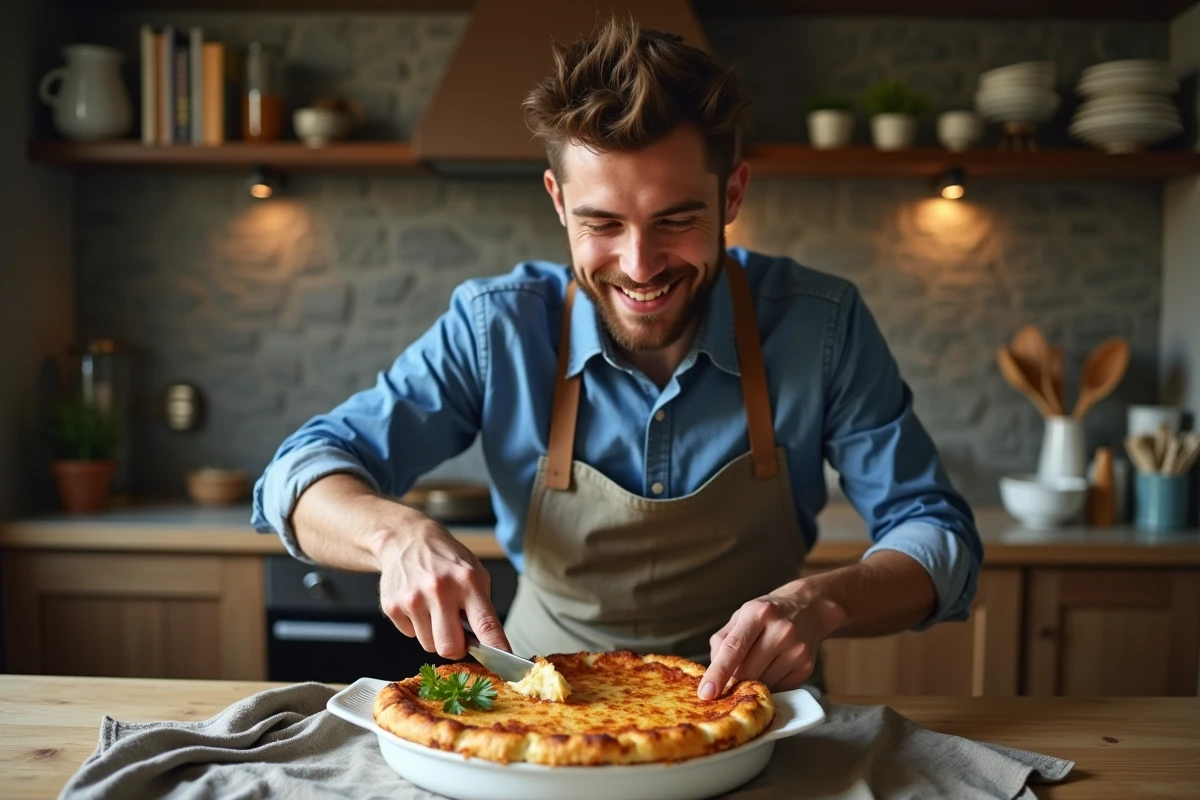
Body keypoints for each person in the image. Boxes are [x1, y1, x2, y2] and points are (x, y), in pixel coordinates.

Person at [252, 15, 982, 700]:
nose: (639, 266)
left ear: (731, 194)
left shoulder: (820, 325)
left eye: (676, 219)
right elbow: (296, 474)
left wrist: (821, 600)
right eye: (603, 223)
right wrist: (395, 534)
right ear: (558, 202)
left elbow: (937, 534)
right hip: (546, 721)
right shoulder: (495, 326)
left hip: (758, 721)